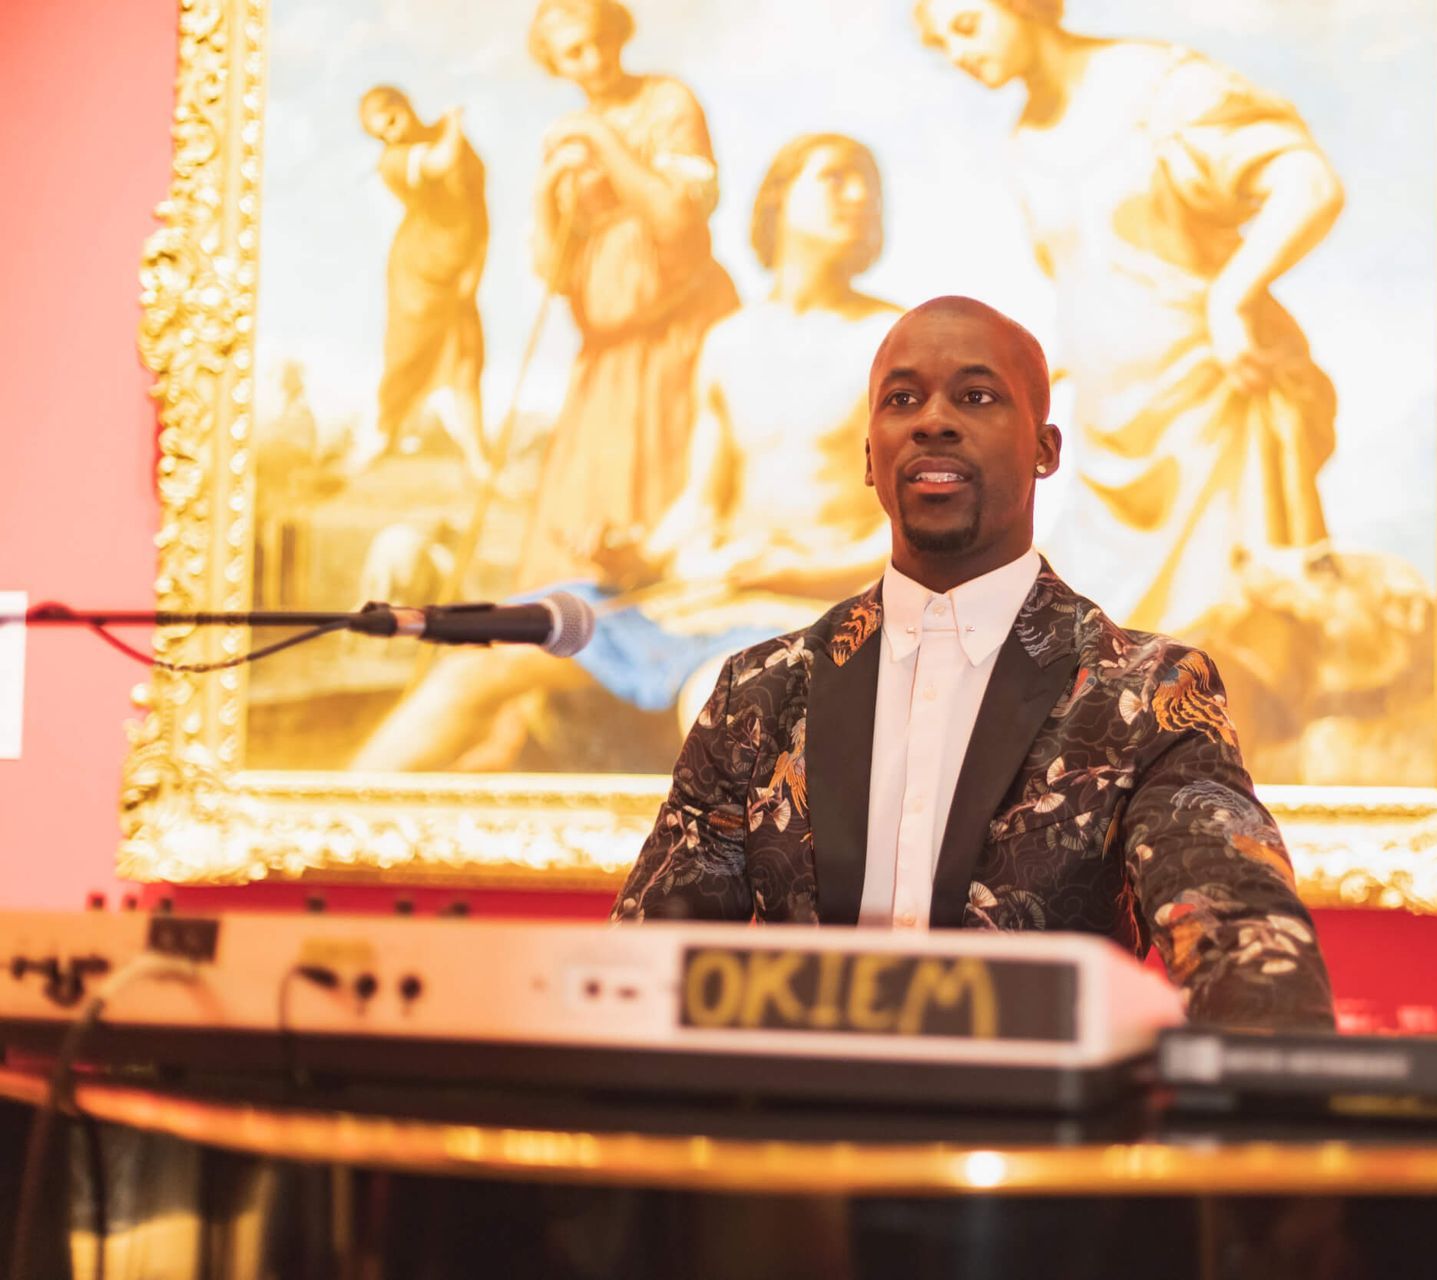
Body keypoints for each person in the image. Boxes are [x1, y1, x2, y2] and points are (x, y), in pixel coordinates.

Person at [613, 296, 1333, 1030]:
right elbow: (642, 969)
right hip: (800, 1136)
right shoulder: (759, 691)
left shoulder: (1144, 691)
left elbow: (1243, 935)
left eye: (976, 396)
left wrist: (1262, 1097)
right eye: (901, 399)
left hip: (1043, 1136)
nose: (932, 419)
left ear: (1046, 449)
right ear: (870, 457)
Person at [351, 134, 898, 773]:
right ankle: (316, 837)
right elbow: (700, 503)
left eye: (869, 185)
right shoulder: (729, 344)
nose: (858, 196)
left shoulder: (894, 344)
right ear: (779, 200)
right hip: (697, 598)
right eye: (836, 177)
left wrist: (788, 570)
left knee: (721, 711)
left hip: (807, 614)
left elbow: (913, 537)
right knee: (481, 656)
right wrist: (634, 551)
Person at [912, 0, 1343, 640]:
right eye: (943, 46)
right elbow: (1092, 278)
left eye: (968, 26)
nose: (961, 54)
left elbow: (1309, 183)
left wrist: (1234, 296)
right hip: (1111, 435)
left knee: (1224, 642)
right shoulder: (1025, 143)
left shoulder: (1158, 88)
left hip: (1207, 408)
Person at [518, 0, 739, 590]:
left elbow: (675, 222)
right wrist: (547, 187)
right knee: (591, 498)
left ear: (618, 34)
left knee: (673, 481)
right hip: (609, 349)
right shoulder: (560, 138)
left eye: (599, 41)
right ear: (556, 64)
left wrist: (601, 139)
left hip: (680, 330)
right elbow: (553, 271)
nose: (593, 60)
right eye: (573, 53)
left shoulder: (667, 102)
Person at [358, 86, 490, 478]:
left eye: (393, 122)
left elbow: (476, 208)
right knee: (407, 360)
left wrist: (475, 268)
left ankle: (479, 460)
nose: (392, 136)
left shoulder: (444, 139)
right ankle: (381, 436)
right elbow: (439, 163)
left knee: (466, 362)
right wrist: (453, 121)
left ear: (405, 106)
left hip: (456, 270)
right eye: (381, 134)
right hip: (419, 277)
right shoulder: (396, 160)